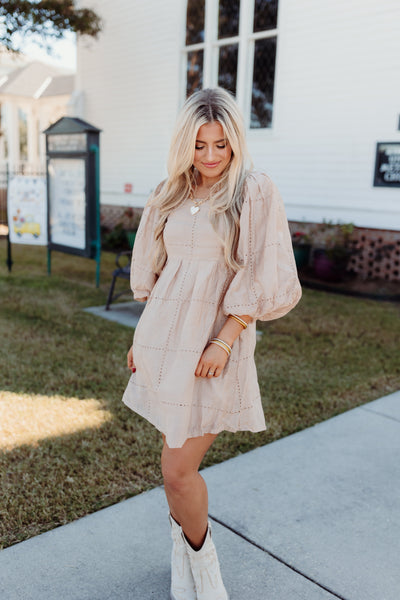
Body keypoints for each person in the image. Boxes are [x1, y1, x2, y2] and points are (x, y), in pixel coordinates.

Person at [122, 87, 302, 600]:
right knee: (172, 462)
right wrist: (143, 338)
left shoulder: (254, 191)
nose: (210, 157)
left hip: (213, 349)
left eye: (220, 145)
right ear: (186, 146)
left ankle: (205, 567)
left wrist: (225, 341)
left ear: (235, 143)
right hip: (163, 343)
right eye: (200, 146)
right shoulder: (169, 193)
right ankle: (184, 558)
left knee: (178, 471)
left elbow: (259, 273)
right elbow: (158, 275)